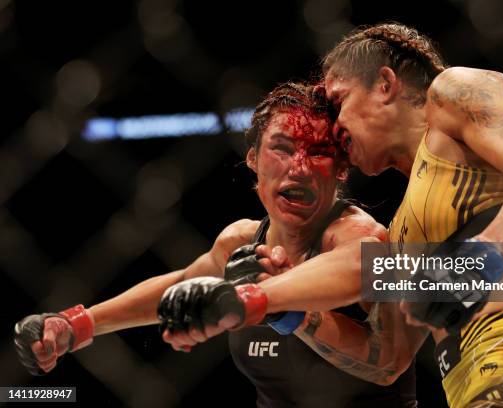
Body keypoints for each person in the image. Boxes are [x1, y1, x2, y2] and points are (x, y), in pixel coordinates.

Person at [14, 81, 418, 407]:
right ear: (254, 160)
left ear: (342, 169)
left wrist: (284, 308)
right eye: (282, 147)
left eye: (319, 152)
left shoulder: (359, 237)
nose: (299, 168)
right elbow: (178, 287)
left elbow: (388, 364)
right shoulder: (241, 240)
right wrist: (76, 324)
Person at [317, 22, 503, 407]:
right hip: (475, 391)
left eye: (338, 103)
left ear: (384, 84)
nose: (333, 128)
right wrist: (297, 319)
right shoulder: (400, 227)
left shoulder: (452, 92)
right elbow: (388, 358)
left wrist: (482, 256)